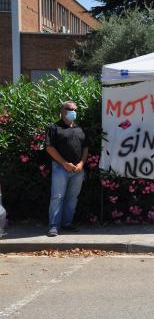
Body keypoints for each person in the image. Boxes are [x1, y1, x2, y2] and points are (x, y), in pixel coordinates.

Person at [45, 101, 88, 237]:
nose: (73, 111)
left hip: (77, 170)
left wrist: (81, 163)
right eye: (70, 109)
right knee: (57, 197)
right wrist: (64, 163)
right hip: (60, 168)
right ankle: (53, 226)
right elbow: (49, 148)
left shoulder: (80, 129)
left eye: (75, 109)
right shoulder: (54, 128)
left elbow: (85, 148)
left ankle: (67, 223)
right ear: (62, 111)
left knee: (72, 198)